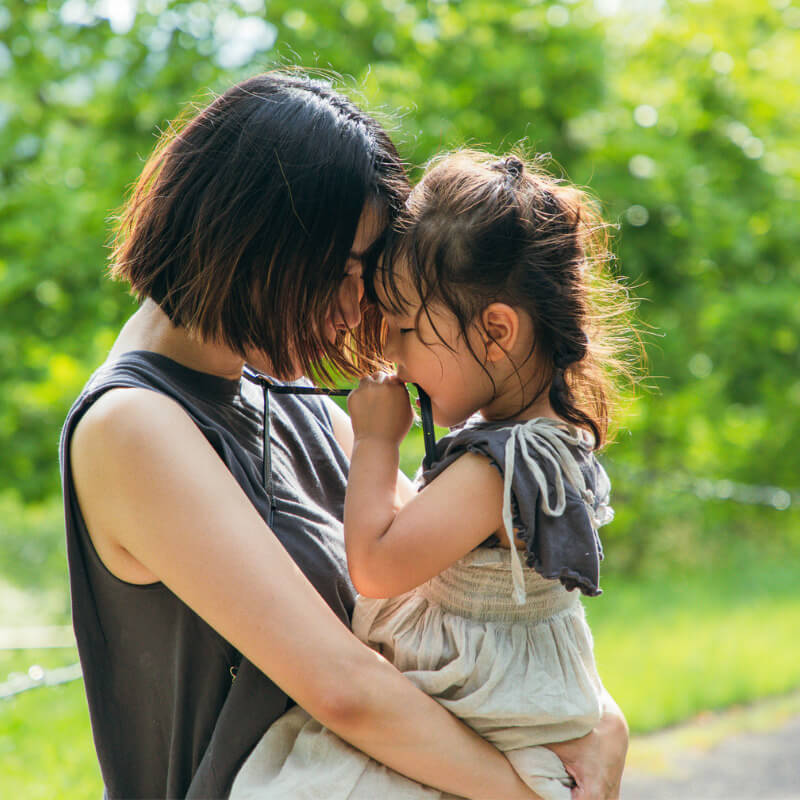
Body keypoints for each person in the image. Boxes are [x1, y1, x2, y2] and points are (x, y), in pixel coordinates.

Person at [61, 72, 627, 800]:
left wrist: (602, 724)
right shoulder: (134, 426)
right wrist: (537, 793)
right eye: (346, 270)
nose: (361, 305)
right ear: (259, 242)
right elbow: (344, 687)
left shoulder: (286, 393)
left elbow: (455, 589)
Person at [230, 150, 635, 800]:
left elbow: (376, 565)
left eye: (406, 328)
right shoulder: (544, 441)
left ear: (496, 331)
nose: (389, 352)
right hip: (502, 703)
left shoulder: (498, 467)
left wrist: (376, 441)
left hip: (480, 708)